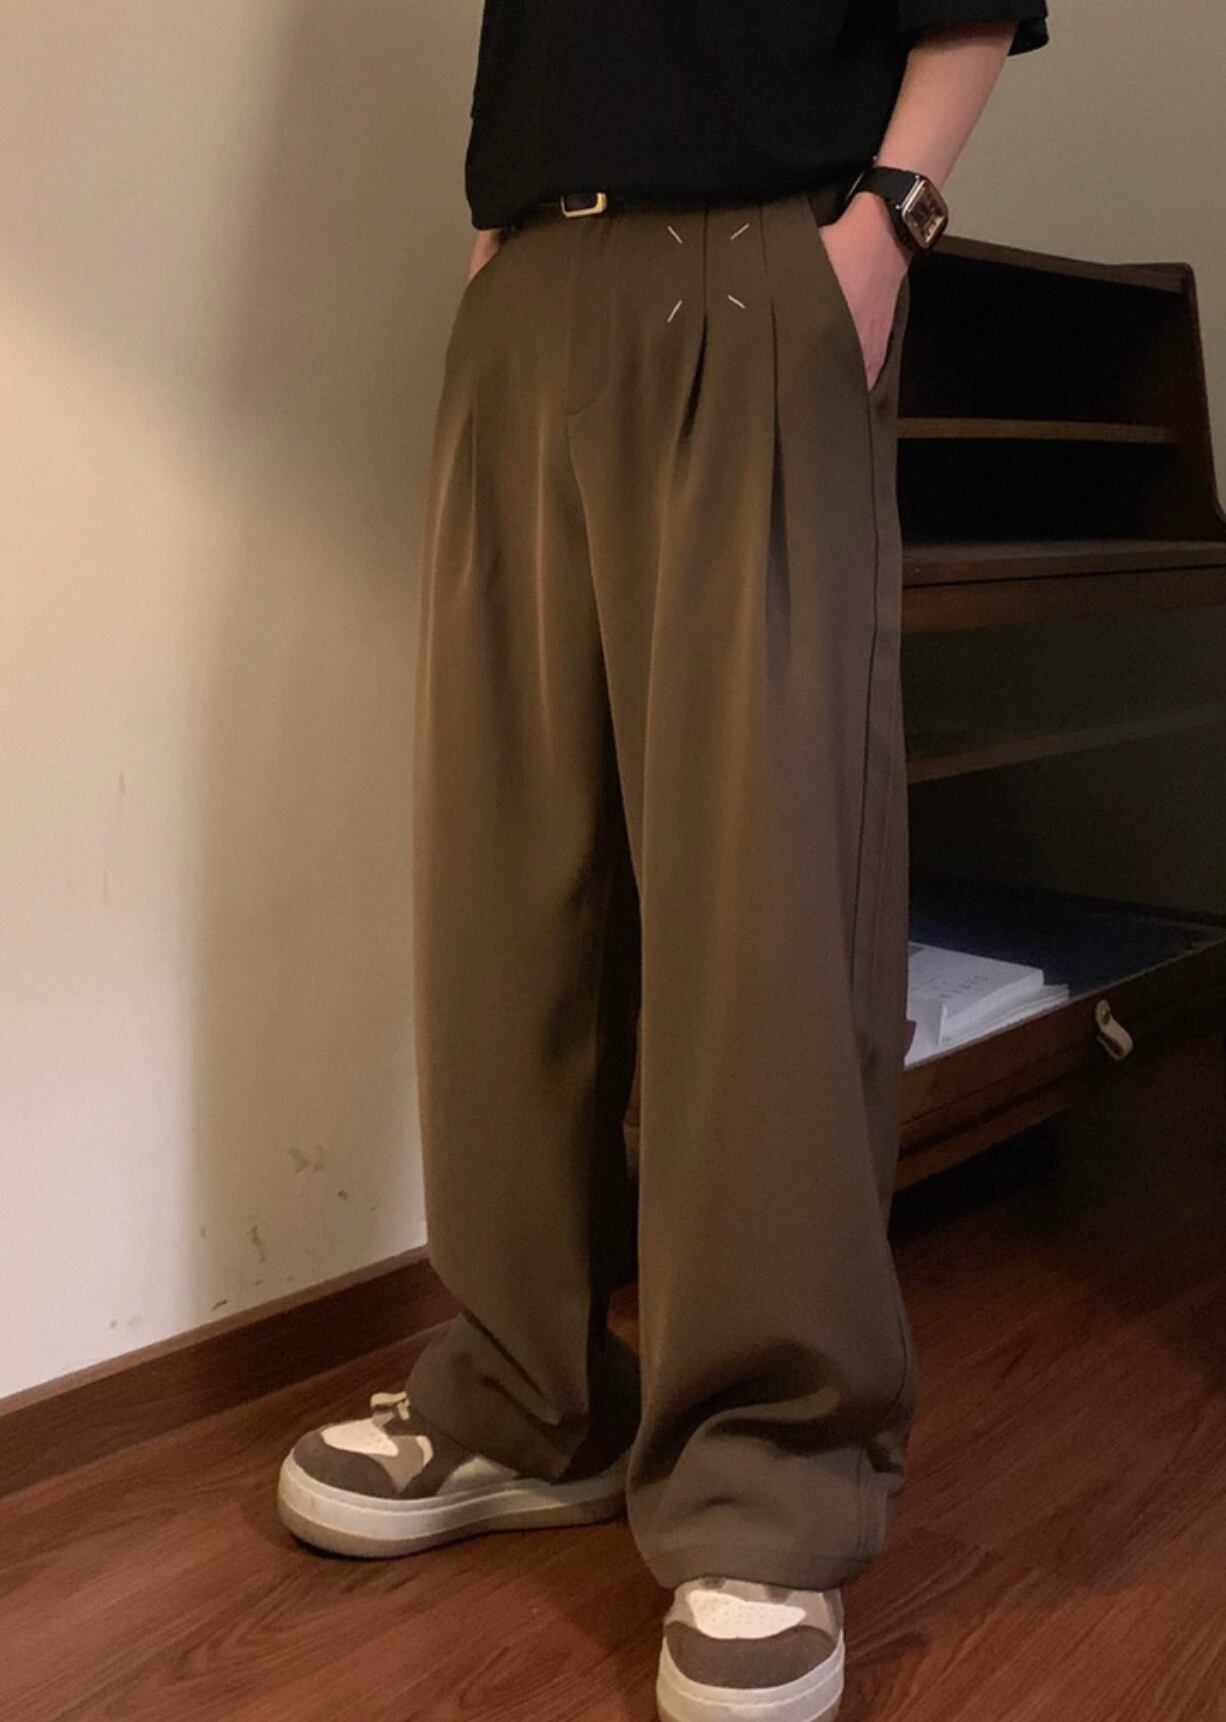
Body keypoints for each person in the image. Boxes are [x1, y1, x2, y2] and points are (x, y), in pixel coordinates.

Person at [279, 6, 1050, 1718]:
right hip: (533, 278)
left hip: (766, 260)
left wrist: (886, 223)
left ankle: (768, 1476)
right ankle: (523, 1393)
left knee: (755, 891)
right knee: (503, 876)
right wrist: (500, 242)